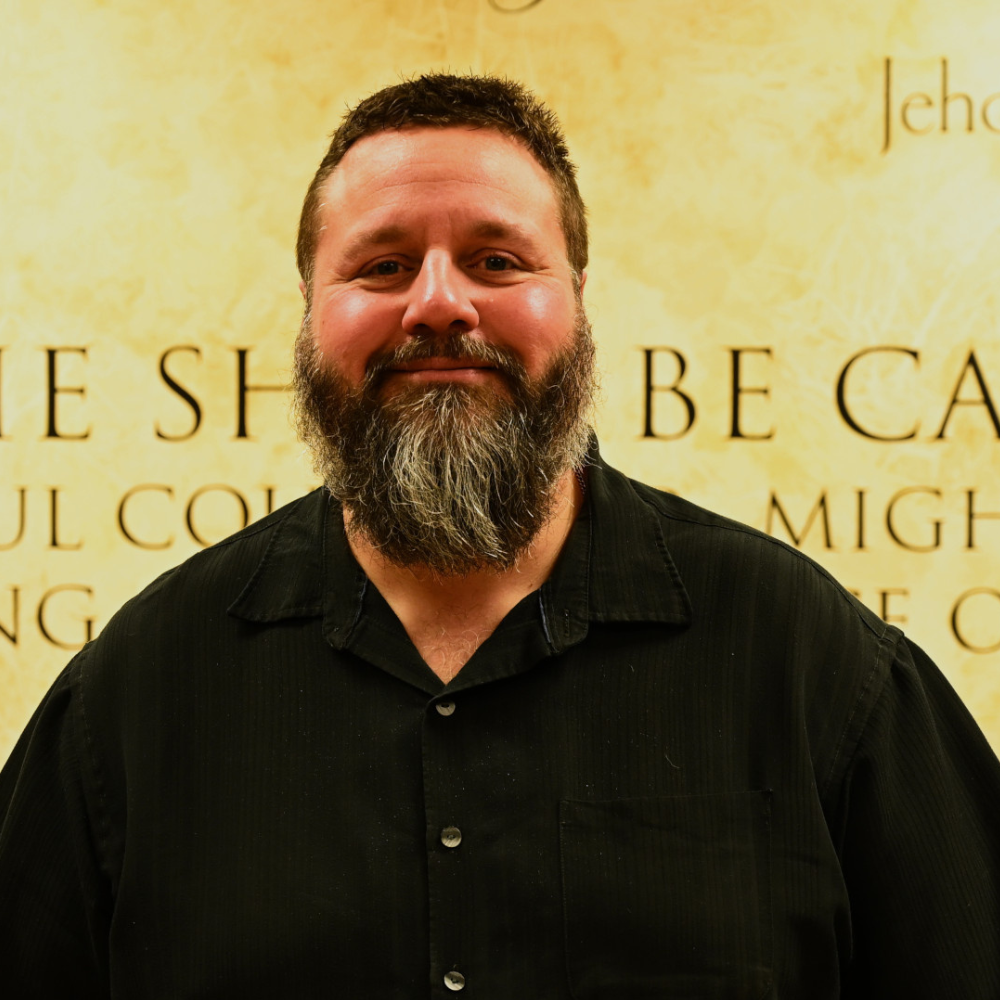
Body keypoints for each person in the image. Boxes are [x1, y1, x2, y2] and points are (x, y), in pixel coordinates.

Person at [1, 73, 999, 999]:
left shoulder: (813, 665)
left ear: (574, 305)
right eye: (383, 265)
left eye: (496, 260)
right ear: (310, 313)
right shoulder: (136, 695)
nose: (438, 303)